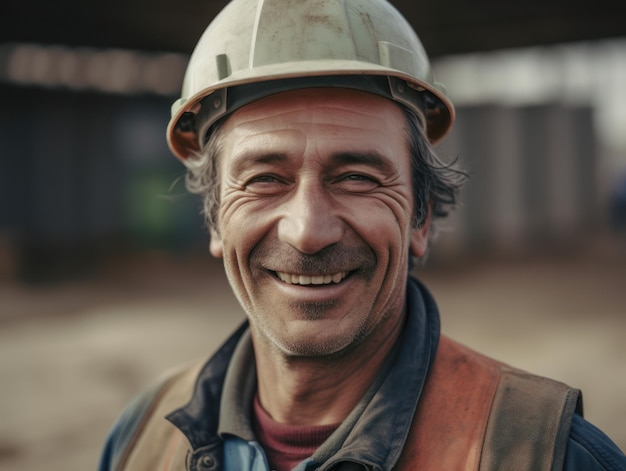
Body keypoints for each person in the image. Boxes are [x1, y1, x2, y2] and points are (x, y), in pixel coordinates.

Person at [99, 0, 626, 469]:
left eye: (357, 178)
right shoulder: (140, 439)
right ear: (215, 218)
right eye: (264, 180)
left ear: (420, 217)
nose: (308, 232)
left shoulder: (544, 455)